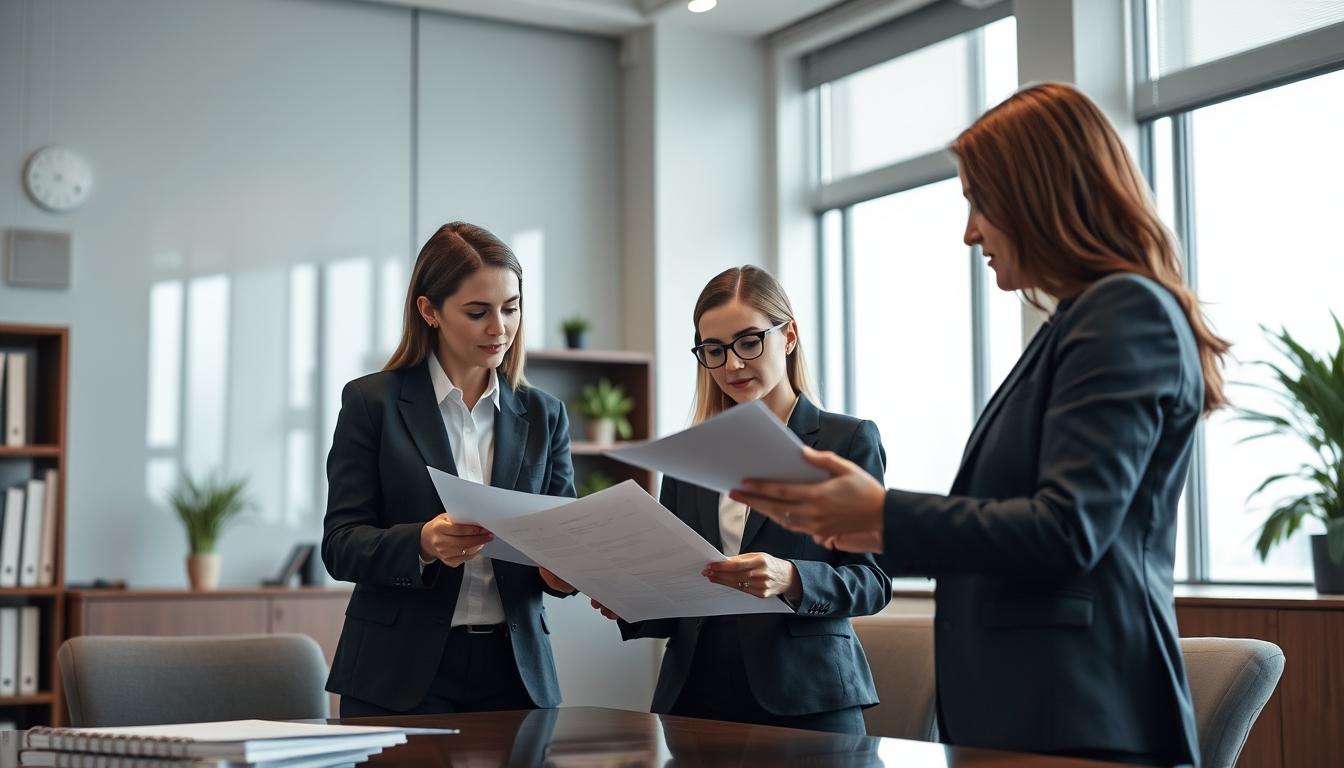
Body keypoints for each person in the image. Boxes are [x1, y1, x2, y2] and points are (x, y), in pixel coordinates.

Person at [733, 83, 1227, 766]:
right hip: (1039, 713)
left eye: (979, 201)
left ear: (1041, 196)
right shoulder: (1082, 321)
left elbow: (1066, 528)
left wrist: (886, 515)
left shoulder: (1123, 313)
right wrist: (875, 520)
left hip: (1079, 717)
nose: (970, 231)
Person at [592, 265, 892, 735]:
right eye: (713, 350)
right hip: (697, 697)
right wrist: (629, 600)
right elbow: (679, 585)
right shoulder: (690, 453)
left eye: (749, 342)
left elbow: (872, 581)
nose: (731, 365)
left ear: (788, 336)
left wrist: (791, 577)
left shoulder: (846, 440)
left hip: (808, 699)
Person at [322, 221, 577, 717]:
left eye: (511, 308)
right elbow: (340, 545)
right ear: (429, 310)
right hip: (396, 672)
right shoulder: (372, 402)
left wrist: (565, 572)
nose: (499, 328)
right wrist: (422, 541)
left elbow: (560, 547)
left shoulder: (546, 415)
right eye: (478, 312)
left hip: (516, 671)